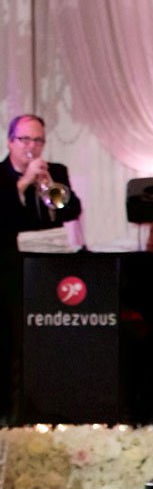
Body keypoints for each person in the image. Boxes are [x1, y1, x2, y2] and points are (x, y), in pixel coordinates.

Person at [1, 114, 84, 422]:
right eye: (25, 140)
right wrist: (22, 184)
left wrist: (48, 187)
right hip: (10, 271)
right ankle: (11, 412)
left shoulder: (55, 171)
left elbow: (71, 209)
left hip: (49, 270)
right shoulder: (2, 175)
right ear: (10, 141)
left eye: (38, 140)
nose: (32, 147)